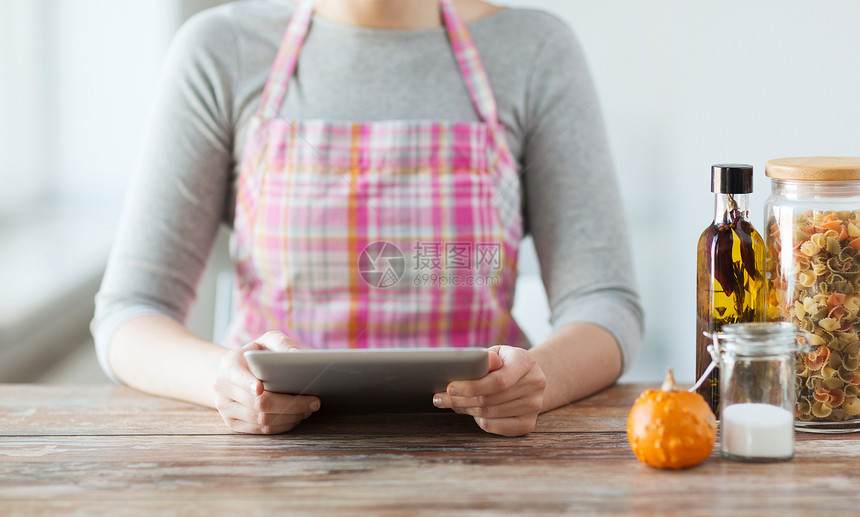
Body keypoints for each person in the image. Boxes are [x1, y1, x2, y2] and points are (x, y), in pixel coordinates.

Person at [92, 0, 644, 437]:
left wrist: (536, 383)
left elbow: (604, 301)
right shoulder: (221, 50)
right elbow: (132, 311)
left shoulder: (534, 50)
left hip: (481, 451)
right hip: (273, 466)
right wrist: (225, 381)